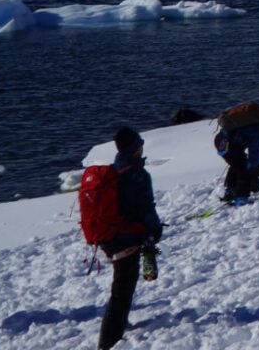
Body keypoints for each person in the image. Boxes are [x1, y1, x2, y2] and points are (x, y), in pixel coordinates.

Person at [98, 127, 164, 350]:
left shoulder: (114, 169)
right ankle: (109, 341)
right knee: (122, 288)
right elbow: (146, 207)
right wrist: (154, 231)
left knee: (122, 283)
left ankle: (119, 324)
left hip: (110, 236)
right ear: (135, 147)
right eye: (140, 142)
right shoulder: (136, 174)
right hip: (127, 236)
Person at [214, 103, 259, 203]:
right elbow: (254, 158)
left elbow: (254, 156)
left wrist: (258, 169)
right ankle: (241, 198)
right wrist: (254, 176)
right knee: (243, 169)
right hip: (227, 145)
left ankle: (230, 190)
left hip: (221, 140)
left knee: (238, 164)